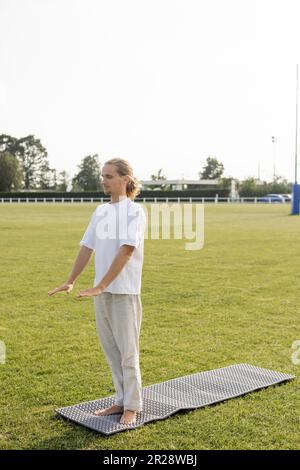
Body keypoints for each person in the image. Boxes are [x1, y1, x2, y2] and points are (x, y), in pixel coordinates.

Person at [48, 158, 146, 426]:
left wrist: (102, 284)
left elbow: (127, 251)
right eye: (102, 175)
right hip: (99, 292)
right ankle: (120, 400)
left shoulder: (135, 212)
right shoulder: (100, 211)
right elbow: (86, 247)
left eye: (109, 176)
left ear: (125, 179)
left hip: (124, 291)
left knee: (128, 351)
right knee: (111, 350)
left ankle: (132, 406)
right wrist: (70, 280)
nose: (104, 180)